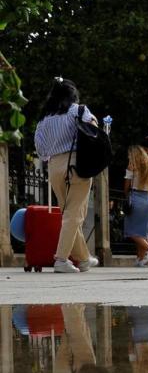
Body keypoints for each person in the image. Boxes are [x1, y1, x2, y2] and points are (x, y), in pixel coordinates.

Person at [33, 78, 101, 274]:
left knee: (69, 214)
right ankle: (61, 259)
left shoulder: (44, 119)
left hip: (54, 166)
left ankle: (84, 259)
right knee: (74, 215)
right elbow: (94, 131)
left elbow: (40, 148)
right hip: (77, 164)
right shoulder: (79, 111)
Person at [123, 145, 148, 267]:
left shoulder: (132, 167)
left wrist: (127, 196)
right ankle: (141, 260)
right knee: (143, 232)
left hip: (136, 198)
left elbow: (126, 186)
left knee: (131, 231)